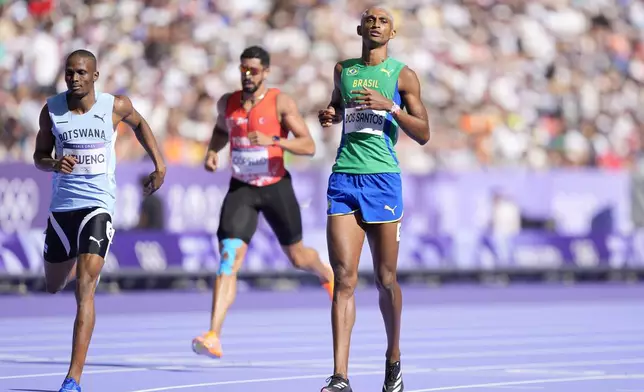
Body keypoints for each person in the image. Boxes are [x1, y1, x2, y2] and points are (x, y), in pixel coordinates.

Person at [33, 49, 166, 392]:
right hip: (63, 209)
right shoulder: (52, 110)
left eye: (80, 72)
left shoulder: (115, 106)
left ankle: (72, 379)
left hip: (98, 205)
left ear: (95, 76)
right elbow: (39, 156)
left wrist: (159, 164)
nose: (74, 78)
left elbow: (140, 124)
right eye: (69, 73)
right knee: (53, 285)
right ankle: (79, 259)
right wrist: (53, 163)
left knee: (85, 289)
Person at [191, 45, 335, 358]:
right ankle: (214, 333)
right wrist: (214, 152)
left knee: (297, 257)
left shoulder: (280, 102)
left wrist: (274, 140)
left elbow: (309, 145)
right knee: (228, 259)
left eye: (253, 70)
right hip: (241, 189)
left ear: (265, 72)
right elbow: (220, 130)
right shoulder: (227, 103)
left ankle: (326, 274)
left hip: (275, 187)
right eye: (243, 69)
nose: (247, 75)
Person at [317, 6, 430, 392]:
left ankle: (393, 358)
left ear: (393, 33)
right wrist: (331, 113)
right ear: (359, 27)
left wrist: (391, 108)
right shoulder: (343, 70)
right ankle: (340, 376)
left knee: (385, 279)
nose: (376, 25)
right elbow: (338, 102)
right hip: (345, 178)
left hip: (383, 181)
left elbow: (424, 133)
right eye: (371, 19)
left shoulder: (403, 75)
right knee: (344, 278)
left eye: (384, 21)